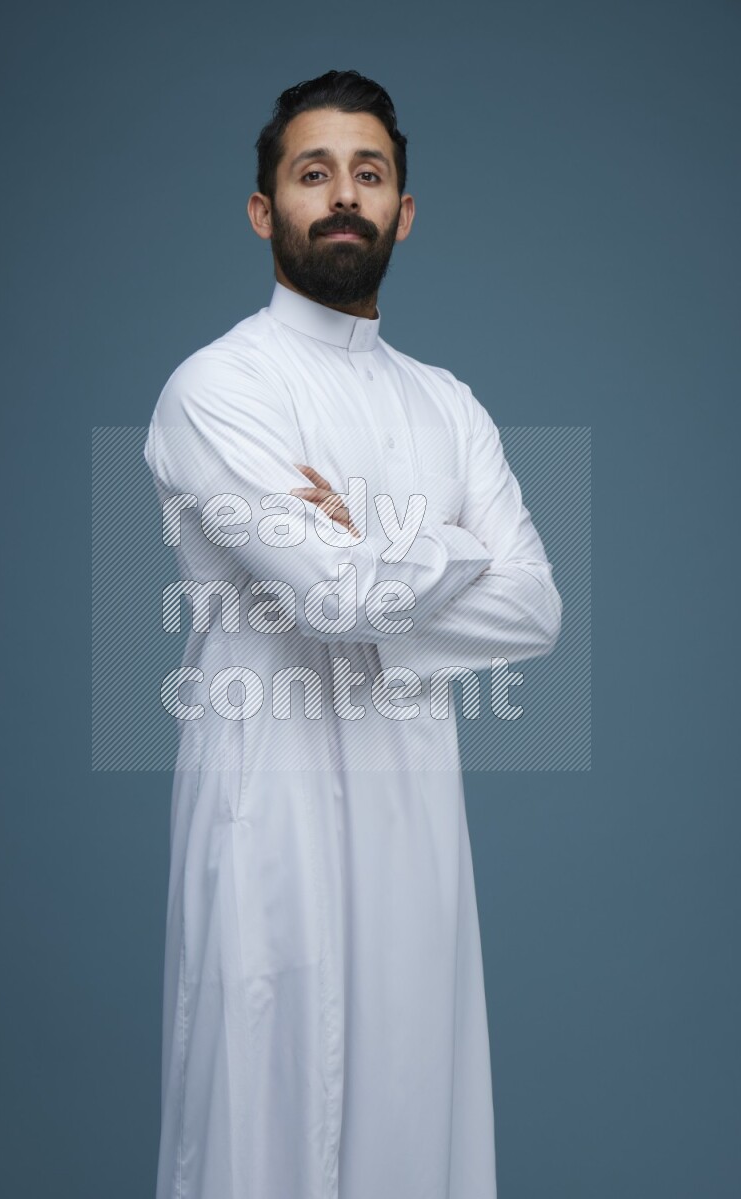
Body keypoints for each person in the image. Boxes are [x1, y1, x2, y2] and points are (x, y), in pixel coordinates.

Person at [143, 68, 562, 1199]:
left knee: (411, 1122)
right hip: (263, 803)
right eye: (311, 171)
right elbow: (330, 599)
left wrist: (374, 546)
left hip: (412, 809)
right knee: (256, 1115)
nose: (342, 195)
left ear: (402, 212)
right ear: (262, 208)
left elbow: (534, 606)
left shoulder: (448, 403)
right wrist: (440, 547)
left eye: (367, 174)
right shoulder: (215, 388)